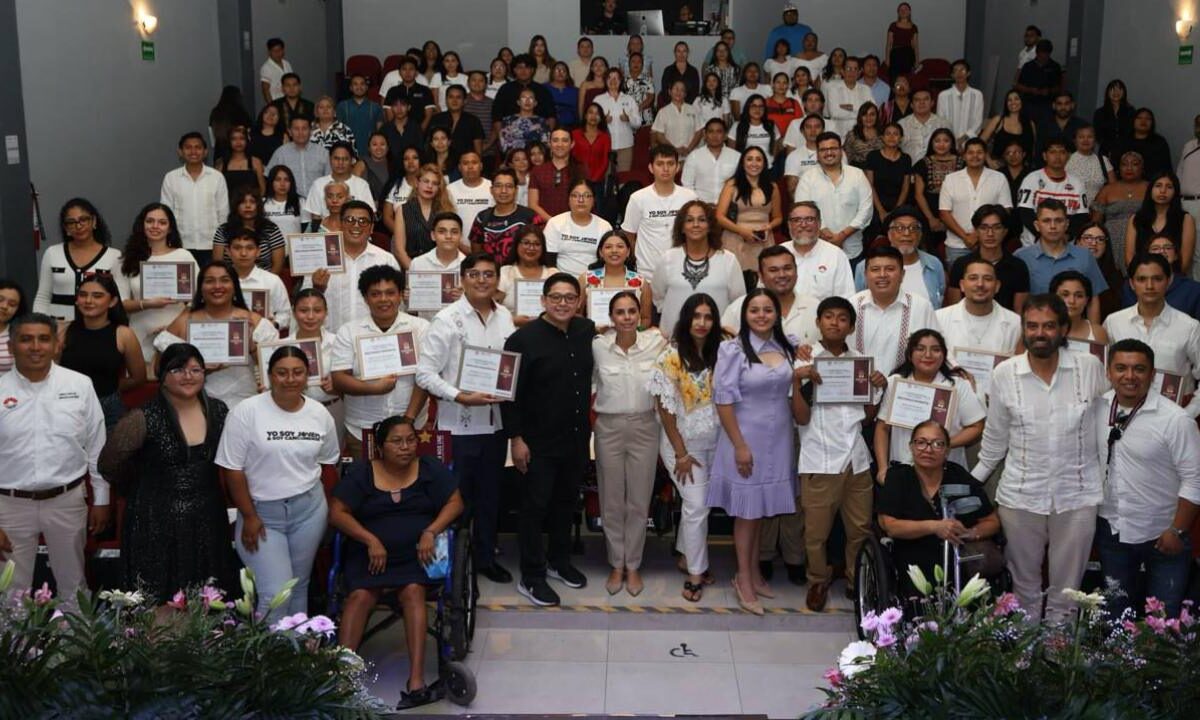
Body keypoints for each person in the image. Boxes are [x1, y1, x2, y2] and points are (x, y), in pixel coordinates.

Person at [972, 293, 1106, 621]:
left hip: (1078, 497)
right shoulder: (1005, 373)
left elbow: (1105, 431)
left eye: (1048, 326)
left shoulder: (1089, 367)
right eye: (1032, 326)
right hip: (1020, 498)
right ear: (1023, 329)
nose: (1039, 333)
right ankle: (1025, 660)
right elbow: (993, 444)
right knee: (1025, 589)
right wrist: (968, 485)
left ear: (1063, 329)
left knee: (1068, 593)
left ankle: (1057, 664)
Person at [328, 416, 461, 707]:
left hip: (416, 555)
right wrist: (369, 539)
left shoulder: (429, 469)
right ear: (380, 446)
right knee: (360, 595)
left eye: (411, 440)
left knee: (413, 590)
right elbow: (337, 512)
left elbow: (455, 503)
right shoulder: (363, 472)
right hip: (370, 555)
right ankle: (341, 677)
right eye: (396, 441)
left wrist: (431, 530)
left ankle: (416, 681)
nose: (405, 447)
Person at [98, 342, 235, 602]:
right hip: (153, 520)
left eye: (196, 370)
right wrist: (140, 487)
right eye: (178, 370)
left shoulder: (219, 411)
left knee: (208, 598)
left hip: (208, 518)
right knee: (158, 601)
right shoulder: (142, 417)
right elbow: (108, 465)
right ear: (162, 376)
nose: (188, 376)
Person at [216, 346, 340, 619]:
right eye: (282, 373)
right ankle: (267, 660)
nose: (290, 379)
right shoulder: (246, 412)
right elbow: (232, 469)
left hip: (309, 510)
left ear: (308, 376)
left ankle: (296, 655)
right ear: (270, 376)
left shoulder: (320, 414)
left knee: (298, 587)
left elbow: (328, 463)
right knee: (275, 593)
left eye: (297, 373)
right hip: (261, 515)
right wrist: (248, 515)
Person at [415, 253, 516, 585]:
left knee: (491, 497)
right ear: (463, 279)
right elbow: (424, 375)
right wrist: (460, 395)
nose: (482, 280)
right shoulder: (446, 320)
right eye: (474, 274)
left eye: (489, 274)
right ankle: (452, 565)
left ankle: (485, 558)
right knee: (457, 499)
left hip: (495, 423)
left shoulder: (505, 318)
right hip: (457, 425)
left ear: (497, 279)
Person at [502, 273, 595, 606]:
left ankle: (559, 562)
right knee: (534, 509)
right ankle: (532, 576)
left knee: (565, 505)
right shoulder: (521, 340)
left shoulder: (586, 331)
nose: (563, 303)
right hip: (536, 442)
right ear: (543, 301)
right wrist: (516, 438)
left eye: (570, 297)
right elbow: (508, 394)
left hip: (575, 439)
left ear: (579, 301)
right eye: (556, 297)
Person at [0, 313, 108, 599]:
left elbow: (97, 446)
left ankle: (75, 646)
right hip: (9, 506)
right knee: (11, 592)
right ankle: (18, 646)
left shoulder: (80, 385)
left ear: (56, 345)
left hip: (67, 501)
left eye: (43, 339)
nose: (35, 347)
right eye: (25, 339)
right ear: (11, 347)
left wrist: (102, 499)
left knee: (74, 587)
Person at [1091, 339, 1200, 619]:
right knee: (1116, 615)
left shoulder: (1175, 420)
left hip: (1163, 532)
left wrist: (1177, 530)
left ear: (1152, 374)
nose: (1130, 376)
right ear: (1109, 372)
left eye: (1139, 369)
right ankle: (1118, 663)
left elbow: (1195, 479)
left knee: (1162, 621)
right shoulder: (1095, 409)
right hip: (1112, 529)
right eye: (1121, 368)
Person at [709, 289, 799, 616]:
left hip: (779, 439)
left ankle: (755, 573)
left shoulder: (787, 345)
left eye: (767, 310)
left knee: (760, 510)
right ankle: (743, 579)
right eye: (754, 311)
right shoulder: (732, 350)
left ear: (776, 314)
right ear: (744, 315)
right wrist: (740, 446)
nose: (761, 316)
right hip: (744, 438)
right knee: (746, 513)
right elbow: (723, 401)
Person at [792, 297, 886, 609]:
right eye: (828, 317)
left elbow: (868, 417)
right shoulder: (805, 362)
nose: (835, 323)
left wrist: (879, 386)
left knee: (858, 529)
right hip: (820, 457)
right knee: (815, 533)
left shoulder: (860, 362)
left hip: (857, 459)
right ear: (818, 322)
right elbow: (801, 418)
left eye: (842, 318)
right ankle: (817, 581)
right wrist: (799, 381)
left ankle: (853, 577)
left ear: (850, 326)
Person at [591, 292, 667, 596]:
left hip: (645, 426)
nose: (626, 317)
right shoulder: (598, 346)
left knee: (638, 500)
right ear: (611, 317)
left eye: (631, 311)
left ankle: (633, 564)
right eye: (620, 312)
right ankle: (616, 563)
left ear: (640, 315)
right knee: (611, 499)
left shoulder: (655, 343)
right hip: (608, 427)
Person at [648, 293, 721, 602]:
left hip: (716, 443)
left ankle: (684, 555)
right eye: (696, 316)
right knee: (696, 505)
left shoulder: (723, 353)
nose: (702, 323)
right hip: (681, 445)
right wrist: (680, 453)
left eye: (708, 317)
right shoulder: (671, 356)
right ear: (686, 320)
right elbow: (665, 410)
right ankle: (695, 573)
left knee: (697, 504)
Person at [877, 420, 999, 601]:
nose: (928, 449)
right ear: (911, 447)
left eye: (937, 444)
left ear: (947, 450)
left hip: (957, 551)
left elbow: (992, 522)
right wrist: (935, 527)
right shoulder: (898, 476)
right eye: (921, 442)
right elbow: (890, 526)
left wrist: (970, 533)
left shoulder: (958, 475)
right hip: (912, 552)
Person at [330, 265, 429, 458]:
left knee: (412, 485)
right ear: (365, 298)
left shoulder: (421, 328)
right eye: (375, 294)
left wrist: (408, 419)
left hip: (412, 428)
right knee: (368, 485)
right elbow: (339, 379)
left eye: (390, 293)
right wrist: (374, 388)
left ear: (400, 295)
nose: (383, 300)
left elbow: (426, 377)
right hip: (362, 429)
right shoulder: (349, 331)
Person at [156, 262, 278, 409]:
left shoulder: (253, 321)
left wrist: (252, 347)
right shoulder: (185, 321)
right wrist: (197, 369)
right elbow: (160, 369)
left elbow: (276, 368)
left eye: (225, 280)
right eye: (209, 281)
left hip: (245, 401)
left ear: (234, 286)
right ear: (200, 288)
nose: (217, 286)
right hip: (197, 402)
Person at [875, 329, 986, 477]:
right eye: (920, 349)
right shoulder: (895, 382)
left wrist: (942, 445)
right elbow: (882, 428)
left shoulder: (958, 385)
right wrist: (883, 468)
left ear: (944, 355)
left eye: (935, 350)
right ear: (910, 354)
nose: (928, 355)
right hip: (902, 469)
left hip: (947, 471)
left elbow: (976, 426)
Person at [1105, 253, 1200, 419]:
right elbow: (1105, 374)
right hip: (1125, 414)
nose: (1149, 285)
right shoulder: (1114, 322)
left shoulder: (1189, 326)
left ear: (1169, 281)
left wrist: (1187, 414)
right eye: (1141, 279)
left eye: (1157, 279)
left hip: (1175, 413)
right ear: (1132, 283)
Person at [59, 274, 146, 430]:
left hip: (108, 408)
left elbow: (138, 378)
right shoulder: (63, 330)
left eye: (97, 296)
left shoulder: (124, 334)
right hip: (67, 407)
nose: (88, 301)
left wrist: (109, 389)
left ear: (112, 301)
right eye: (83, 295)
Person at [299, 201, 398, 333]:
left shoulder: (386, 260)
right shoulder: (320, 258)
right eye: (349, 220)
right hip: (331, 339)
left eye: (363, 221)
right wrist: (317, 288)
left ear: (372, 228)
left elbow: (396, 304)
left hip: (371, 340)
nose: (356, 225)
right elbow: (303, 304)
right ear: (340, 224)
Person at [653, 200, 744, 338]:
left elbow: (738, 303)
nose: (696, 225)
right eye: (689, 220)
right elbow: (658, 298)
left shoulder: (728, 260)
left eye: (702, 220)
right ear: (682, 227)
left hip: (718, 343)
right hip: (673, 342)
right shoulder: (667, 258)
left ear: (710, 226)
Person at [850, 246, 940, 379]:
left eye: (890, 269)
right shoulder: (851, 305)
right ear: (865, 275)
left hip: (904, 391)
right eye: (875, 270)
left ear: (902, 275)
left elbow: (937, 349)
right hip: (858, 389)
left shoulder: (921, 307)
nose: (882, 275)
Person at [33, 199, 124, 322]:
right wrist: (42, 326)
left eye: (84, 220)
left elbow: (120, 299)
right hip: (57, 330)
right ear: (66, 227)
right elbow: (43, 297)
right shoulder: (52, 253)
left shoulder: (114, 256)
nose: (78, 226)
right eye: (71, 222)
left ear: (94, 221)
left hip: (97, 330)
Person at [1016, 200, 1108, 320]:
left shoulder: (1085, 256)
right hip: (1036, 330)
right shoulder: (1021, 257)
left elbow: (1093, 299)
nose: (1053, 226)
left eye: (1058, 220)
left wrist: (1093, 333)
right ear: (1037, 226)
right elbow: (1018, 304)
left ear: (1067, 224)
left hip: (1076, 330)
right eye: (1046, 221)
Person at [622, 145, 698, 287]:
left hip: (683, 272)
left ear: (677, 167)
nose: (665, 168)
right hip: (647, 274)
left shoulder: (689, 197)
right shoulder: (638, 198)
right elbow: (629, 235)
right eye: (660, 164)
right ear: (651, 168)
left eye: (670, 164)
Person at [794, 132, 874, 262]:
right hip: (818, 249)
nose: (829, 153)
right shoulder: (807, 178)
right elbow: (802, 211)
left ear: (841, 151)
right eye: (824, 150)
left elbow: (866, 209)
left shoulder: (857, 175)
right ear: (817, 154)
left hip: (852, 250)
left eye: (833, 148)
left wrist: (842, 236)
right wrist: (825, 233)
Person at [939, 138, 1013, 264]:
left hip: (989, 245)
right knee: (958, 282)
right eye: (970, 152)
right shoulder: (951, 179)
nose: (975, 156)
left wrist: (978, 235)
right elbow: (944, 213)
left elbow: (1006, 210)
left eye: (979, 152)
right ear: (964, 155)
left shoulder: (999, 178)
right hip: (957, 246)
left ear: (985, 155)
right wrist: (965, 237)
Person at [160, 132, 229, 267]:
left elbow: (223, 213)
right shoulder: (171, 178)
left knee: (209, 285)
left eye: (198, 147)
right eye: (188, 147)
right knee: (184, 286)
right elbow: (166, 213)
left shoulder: (217, 177)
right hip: (181, 245)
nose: (193, 151)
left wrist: (222, 243)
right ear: (180, 151)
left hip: (211, 244)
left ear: (205, 151)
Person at [855, 206, 946, 307]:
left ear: (920, 235)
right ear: (889, 234)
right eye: (899, 228)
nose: (907, 233)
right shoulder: (865, 266)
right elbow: (859, 305)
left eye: (913, 228)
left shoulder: (934, 264)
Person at [938, 252, 1023, 362]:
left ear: (997, 286)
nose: (980, 284)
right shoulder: (939, 318)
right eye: (973, 278)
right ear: (962, 285)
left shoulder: (1015, 323)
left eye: (987, 279)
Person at [946, 205, 1031, 311]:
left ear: (1005, 231)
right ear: (976, 231)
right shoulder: (961, 264)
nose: (990, 233)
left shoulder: (1018, 266)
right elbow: (953, 309)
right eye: (984, 228)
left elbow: (1019, 313)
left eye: (997, 227)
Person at [716, 147, 783, 271]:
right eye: (749, 159)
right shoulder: (731, 185)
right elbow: (719, 217)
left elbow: (778, 217)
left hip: (763, 240)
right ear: (742, 163)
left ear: (764, 163)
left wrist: (769, 227)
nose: (754, 163)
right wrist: (742, 231)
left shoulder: (772, 186)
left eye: (758, 160)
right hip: (735, 238)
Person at [1015, 140, 1089, 246]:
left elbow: (1081, 216)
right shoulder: (1031, 179)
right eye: (1052, 152)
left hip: (1066, 245)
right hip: (1033, 245)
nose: (1057, 156)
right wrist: (1044, 236)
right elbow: (1024, 212)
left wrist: (1067, 235)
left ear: (1068, 156)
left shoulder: (1077, 183)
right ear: (1044, 156)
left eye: (1062, 152)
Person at [1125, 171, 1197, 275]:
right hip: (1142, 278)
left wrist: (1166, 280)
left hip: (1174, 278)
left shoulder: (1186, 219)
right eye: (1158, 186)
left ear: (1175, 192)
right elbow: (1129, 256)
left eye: (1169, 187)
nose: (1163, 191)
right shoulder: (1136, 219)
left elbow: (1185, 261)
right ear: (1150, 189)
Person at [783, 201, 856, 301]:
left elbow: (845, 298)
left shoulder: (836, 255)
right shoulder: (777, 254)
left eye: (809, 219)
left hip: (822, 316)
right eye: (797, 220)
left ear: (819, 223)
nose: (803, 225)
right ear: (789, 225)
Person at [223, 228, 292, 333]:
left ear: (258, 252)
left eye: (249, 248)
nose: (243, 253)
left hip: (263, 341)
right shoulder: (219, 282)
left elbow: (286, 314)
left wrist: (274, 324)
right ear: (228, 251)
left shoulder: (272, 280)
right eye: (237, 248)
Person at [580, 230, 651, 330]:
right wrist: (590, 330)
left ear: (628, 252)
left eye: (620, 246)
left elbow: (646, 318)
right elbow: (577, 314)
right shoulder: (586, 279)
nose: (614, 250)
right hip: (593, 339)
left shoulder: (640, 282)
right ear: (601, 252)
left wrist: (634, 332)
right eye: (608, 247)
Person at [912, 128, 965, 258]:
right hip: (929, 213)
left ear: (952, 143)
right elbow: (918, 194)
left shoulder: (963, 163)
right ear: (932, 143)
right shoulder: (923, 163)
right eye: (937, 141)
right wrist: (931, 219)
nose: (941, 144)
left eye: (946, 141)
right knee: (930, 252)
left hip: (957, 214)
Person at [545, 180, 613, 278]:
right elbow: (550, 263)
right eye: (575, 195)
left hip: (595, 281)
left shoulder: (604, 226)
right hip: (561, 281)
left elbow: (608, 261)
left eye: (586, 196)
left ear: (594, 200)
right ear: (568, 200)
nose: (581, 200)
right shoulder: (555, 223)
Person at [392, 164, 456, 270]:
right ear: (417, 183)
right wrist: (417, 273)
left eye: (434, 183)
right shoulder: (403, 210)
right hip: (412, 268)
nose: (430, 186)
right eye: (426, 181)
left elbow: (451, 246)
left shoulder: (445, 211)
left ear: (438, 188)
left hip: (441, 268)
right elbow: (399, 250)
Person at [469, 168, 537, 265]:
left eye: (509, 186)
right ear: (491, 190)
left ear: (516, 190)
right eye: (498, 186)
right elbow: (476, 254)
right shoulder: (482, 218)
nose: (503, 191)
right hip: (491, 276)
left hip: (519, 275)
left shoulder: (530, 217)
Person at [1122, 233, 1200, 317]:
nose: (1162, 251)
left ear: (1176, 255)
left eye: (1168, 248)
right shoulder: (1131, 286)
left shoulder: (1194, 289)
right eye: (1155, 248)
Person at [212, 188, 286, 273]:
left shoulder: (271, 229)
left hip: (265, 282)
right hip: (232, 281)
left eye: (252, 202)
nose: (248, 206)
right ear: (236, 206)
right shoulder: (223, 230)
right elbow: (218, 265)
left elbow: (278, 265)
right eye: (243, 202)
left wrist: (268, 283)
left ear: (258, 205)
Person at [496, 226, 557, 325]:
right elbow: (492, 309)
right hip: (511, 333)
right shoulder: (505, 273)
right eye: (526, 243)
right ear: (516, 245)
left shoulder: (553, 274)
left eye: (537, 244)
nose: (531, 248)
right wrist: (512, 321)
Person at [267, 115, 331, 204]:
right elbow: (269, 178)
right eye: (296, 129)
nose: (300, 133)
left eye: (304, 128)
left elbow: (330, 179)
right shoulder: (280, 153)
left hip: (318, 202)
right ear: (289, 131)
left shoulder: (323, 153)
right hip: (290, 204)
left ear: (311, 131)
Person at [492, 54, 557, 139]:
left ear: (533, 70)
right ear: (514, 70)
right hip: (510, 136)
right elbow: (497, 116)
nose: (523, 70)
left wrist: (547, 137)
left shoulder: (542, 90)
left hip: (537, 137)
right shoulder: (505, 89)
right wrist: (502, 139)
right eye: (519, 67)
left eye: (527, 67)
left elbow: (551, 116)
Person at [865, 123, 914, 231]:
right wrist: (881, 211)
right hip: (876, 203)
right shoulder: (873, 156)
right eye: (888, 134)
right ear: (882, 137)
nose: (891, 137)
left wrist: (896, 211)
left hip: (899, 203)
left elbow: (905, 187)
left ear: (901, 138)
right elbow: (869, 185)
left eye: (895, 134)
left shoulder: (906, 159)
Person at [682, 118, 740, 205]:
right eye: (711, 131)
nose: (715, 135)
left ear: (725, 135)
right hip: (701, 207)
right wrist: (699, 204)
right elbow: (687, 185)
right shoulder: (694, 156)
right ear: (705, 135)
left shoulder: (736, 157)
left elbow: (742, 184)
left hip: (729, 207)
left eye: (719, 131)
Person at [528, 129, 577, 223]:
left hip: (573, 226)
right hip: (544, 226)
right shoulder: (537, 171)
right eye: (555, 140)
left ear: (572, 144)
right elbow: (532, 204)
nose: (560, 144)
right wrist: (553, 222)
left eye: (565, 140)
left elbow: (584, 201)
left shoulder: (581, 170)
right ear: (549, 144)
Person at [1050, 270, 1109, 347]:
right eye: (1065, 295)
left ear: (1086, 300)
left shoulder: (1098, 333)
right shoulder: (1044, 332)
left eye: (1079, 296)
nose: (1072, 301)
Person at [429, 85, 485, 162]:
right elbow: (429, 146)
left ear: (465, 101)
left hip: (465, 165)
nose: (454, 101)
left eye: (458, 97)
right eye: (451, 97)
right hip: (439, 164)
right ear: (446, 100)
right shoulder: (436, 119)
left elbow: (478, 150)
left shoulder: (473, 120)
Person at [937, 60, 984, 150]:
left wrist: (963, 139)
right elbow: (941, 122)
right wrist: (953, 141)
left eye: (962, 70)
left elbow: (978, 123)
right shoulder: (943, 95)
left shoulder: (977, 94)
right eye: (955, 71)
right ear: (952, 75)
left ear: (968, 73)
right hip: (948, 143)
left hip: (970, 142)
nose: (959, 73)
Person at [1113, 108, 1172, 178]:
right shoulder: (1122, 142)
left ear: (1152, 123)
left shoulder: (1160, 142)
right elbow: (1114, 166)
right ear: (1133, 121)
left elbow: (1166, 168)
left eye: (1148, 119)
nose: (1143, 121)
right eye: (1139, 118)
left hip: (1151, 184)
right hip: (1124, 183)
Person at [1015, 39, 1063, 125]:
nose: (1043, 57)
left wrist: (1049, 91)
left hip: (1047, 105)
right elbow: (1018, 85)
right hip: (1029, 104)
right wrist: (1030, 90)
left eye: (1046, 54)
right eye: (1041, 54)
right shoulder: (1028, 66)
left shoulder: (1055, 67)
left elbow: (1060, 88)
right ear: (1037, 53)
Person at [336, 74, 385, 159]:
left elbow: (380, 132)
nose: (359, 87)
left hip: (370, 155)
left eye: (362, 84)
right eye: (355, 84)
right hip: (348, 154)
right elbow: (338, 131)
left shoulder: (375, 107)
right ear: (350, 88)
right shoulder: (342, 106)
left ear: (366, 87)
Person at [447, 152, 493, 239]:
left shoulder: (493, 187)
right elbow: (446, 221)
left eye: (474, 162)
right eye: (465, 163)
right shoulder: (450, 190)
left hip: (489, 245)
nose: (470, 167)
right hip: (457, 246)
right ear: (459, 167)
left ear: (481, 166)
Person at [381, 57, 437, 128]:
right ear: (399, 72)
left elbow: (428, 115)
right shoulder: (392, 91)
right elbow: (389, 115)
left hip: (420, 132)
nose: (408, 72)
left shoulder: (425, 90)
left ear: (416, 72)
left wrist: (419, 132)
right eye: (404, 69)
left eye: (411, 69)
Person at [898, 90, 951, 164]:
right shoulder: (902, 124)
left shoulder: (943, 123)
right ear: (911, 105)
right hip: (909, 169)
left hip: (936, 168)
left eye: (925, 99)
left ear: (932, 103)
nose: (922, 103)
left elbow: (951, 149)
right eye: (917, 100)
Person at [824, 57, 873, 138]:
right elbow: (834, 113)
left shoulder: (866, 89)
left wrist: (851, 107)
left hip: (861, 136)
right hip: (838, 135)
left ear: (859, 72)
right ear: (842, 71)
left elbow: (871, 112)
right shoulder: (832, 88)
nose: (852, 72)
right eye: (848, 68)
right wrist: (861, 112)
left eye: (855, 69)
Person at [1066, 125, 1115, 205]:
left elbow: (1113, 188)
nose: (1086, 140)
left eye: (1090, 137)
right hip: (1072, 209)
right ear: (1075, 141)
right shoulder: (1066, 160)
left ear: (1095, 140)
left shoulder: (1103, 160)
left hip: (1098, 210)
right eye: (1081, 137)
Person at [653, 80, 700, 161]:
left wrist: (689, 149)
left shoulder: (693, 110)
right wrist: (674, 149)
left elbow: (699, 131)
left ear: (685, 94)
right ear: (669, 91)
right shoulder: (663, 112)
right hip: (670, 155)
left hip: (691, 154)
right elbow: (659, 135)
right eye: (676, 89)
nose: (679, 92)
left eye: (682, 90)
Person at [215, 126, 266, 201]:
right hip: (227, 207)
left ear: (247, 140)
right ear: (229, 141)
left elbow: (262, 189)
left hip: (251, 207)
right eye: (234, 139)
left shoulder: (255, 162)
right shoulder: (221, 163)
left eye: (242, 138)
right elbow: (216, 189)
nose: (238, 142)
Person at [571, 102, 611, 196]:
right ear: (585, 116)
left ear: (601, 118)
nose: (593, 116)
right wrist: (579, 177)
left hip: (597, 182)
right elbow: (571, 158)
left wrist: (594, 180)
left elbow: (605, 161)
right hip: (577, 180)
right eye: (590, 112)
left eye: (597, 114)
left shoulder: (605, 137)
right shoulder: (574, 134)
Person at [729, 95, 778, 170]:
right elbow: (731, 151)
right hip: (744, 169)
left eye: (761, 106)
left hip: (768, 168)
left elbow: (775, 147)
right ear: (747, 108)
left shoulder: (771, 125)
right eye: (754, 106)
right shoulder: (737, 126)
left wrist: (771, 162)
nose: (757, 109)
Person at [783, 113, 826, 193]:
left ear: (823, 130)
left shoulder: (835, 154)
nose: (813, 130)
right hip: (804, 201)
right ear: (802, 131)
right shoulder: (793, 156)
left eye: (817, 127)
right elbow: (792, 190)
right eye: (809, 127)